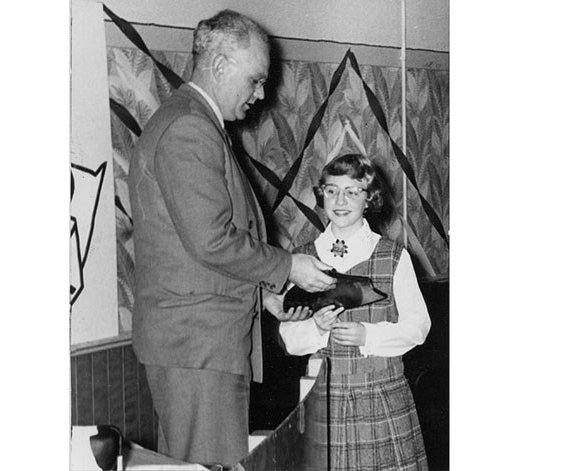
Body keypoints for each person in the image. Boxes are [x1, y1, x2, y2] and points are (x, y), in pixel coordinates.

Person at [127, 9, 336, 468]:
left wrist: (263, 296)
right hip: (198, 346)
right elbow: (211, 240)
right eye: (256, 80)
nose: (260, 95)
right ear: (220, 66)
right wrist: (288, 267)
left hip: (199, 345)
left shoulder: (192, 122)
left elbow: (190, 251)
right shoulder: (189, 128)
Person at [276, 153, 431, 470]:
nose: (340, 200)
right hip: (324, 400)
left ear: (369, 198)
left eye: (352, 191)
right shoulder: (304, 259)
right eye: (332, 190)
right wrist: (315, 328)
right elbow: (288, 337)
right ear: (321, 195)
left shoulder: (393, 257)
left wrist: (368, 335)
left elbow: (419, 326)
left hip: (381, 395)